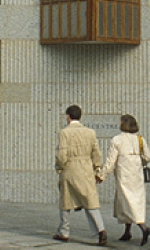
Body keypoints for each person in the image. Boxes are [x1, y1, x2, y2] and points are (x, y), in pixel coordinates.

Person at [54, 104, 107, 245]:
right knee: (91, 201)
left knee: (66, 201)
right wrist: (97, 169)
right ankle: (101, 229)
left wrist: (59, 167)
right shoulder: (90, 132)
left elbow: (62, 154)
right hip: (86, 168)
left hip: (70, 168)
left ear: (68, 116)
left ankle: (64, 231)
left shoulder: (64, 132)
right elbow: (96, 153)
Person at [99, 114, 150, 245]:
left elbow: (111, 161)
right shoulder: (140, 139)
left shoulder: (117, 140)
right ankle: (127, 231)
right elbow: (148, 156)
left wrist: (102, 175)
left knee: (127, 202)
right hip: (137, 174)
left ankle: (143, 227)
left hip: (124, 174)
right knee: (135, 201)